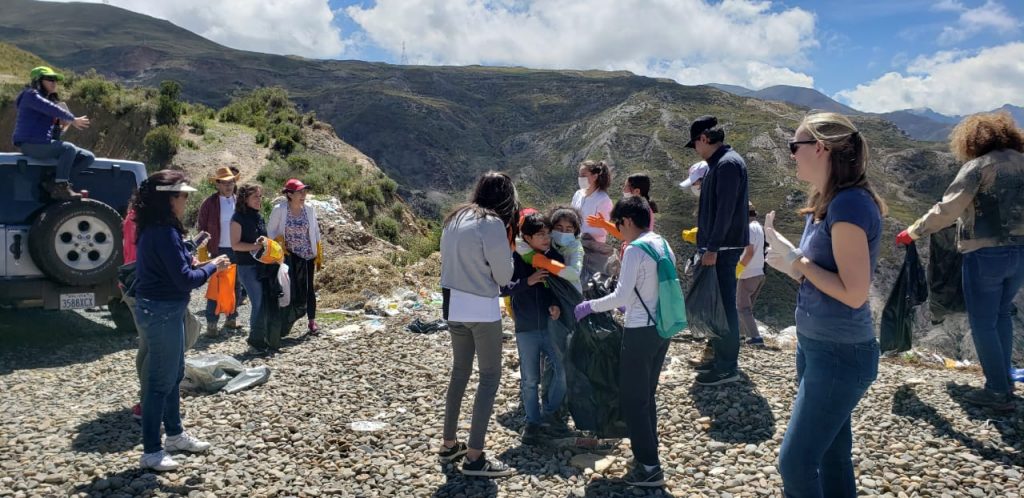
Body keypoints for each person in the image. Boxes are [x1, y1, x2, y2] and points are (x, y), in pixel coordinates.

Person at [768, 112, 885, 498]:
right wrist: (792, 263)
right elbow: (823, 278)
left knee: (795, 463)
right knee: (832, 454)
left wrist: (797, 260)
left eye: (794, 146)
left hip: (839, 353)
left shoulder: (849, 205)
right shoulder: (829, 201)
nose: (792, 155)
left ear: (819, 148)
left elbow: (854, 293)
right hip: (819, 345)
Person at [896, 111, 1024, 410]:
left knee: (982, 322)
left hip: (985, 254)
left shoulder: (979, 166)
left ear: (972, 140)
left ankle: (997, 392)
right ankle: (1004, 380)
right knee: (1002, 314)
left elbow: (948, 210)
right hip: (1021, 252)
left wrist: (913, 232)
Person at [131, 170, 230, 471]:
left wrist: (197, 260)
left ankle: (174, 435)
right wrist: (213, 266)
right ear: (169, 199)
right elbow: (186, 279)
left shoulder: (159, 228)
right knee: (158, 383)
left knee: (173, 375)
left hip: (164, 310)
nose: (187, 200)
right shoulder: (163, 231)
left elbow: (175, 268)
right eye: (183, 195)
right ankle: (151, 452)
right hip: (161, 312)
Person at [573, 195, 674, 488]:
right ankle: (648, 454)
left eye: (618, 224)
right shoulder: (661, 243)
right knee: (646, 395)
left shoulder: (635, 249)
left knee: (632, 400)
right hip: (662, 329)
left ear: (627, 221)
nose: (618, 230)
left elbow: (622, 295)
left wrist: (589, 306)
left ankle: (649, 467)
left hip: (640, 330)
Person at [438, 172, 519, 477]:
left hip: (453, 305)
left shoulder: (455, 217)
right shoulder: (492, 223)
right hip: (482, 309)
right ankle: (475, 457)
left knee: (459, 373)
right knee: (489, 378)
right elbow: (503, 276)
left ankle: (449, 444)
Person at [687, 115, 749, 386]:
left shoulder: (727, 165)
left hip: (722, 248)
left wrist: (712, 247)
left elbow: (725, 210)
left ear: (703, 138)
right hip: (719, 246)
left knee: (723, 307)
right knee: (717, 306)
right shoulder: (721, 163)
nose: (696, 150)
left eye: (695, 144)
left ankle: (726, 367)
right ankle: (719, 359)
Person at [502, 212, 567, 445]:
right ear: (527, 238)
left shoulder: (554, 257)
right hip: (526, 328)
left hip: (551, 326)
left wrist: (556, 306)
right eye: (540, 234)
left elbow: (562, 288)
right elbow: (503, 288)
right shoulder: (517, 258)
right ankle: (532, 422)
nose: (546, 238)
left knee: (562, 371)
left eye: (548, 233)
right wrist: (527, 282)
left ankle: (550, 413)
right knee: (530, 379)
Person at [12, 66, 94, 200]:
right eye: (50, 79)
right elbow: (49, 108)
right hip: (30, 144)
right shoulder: (30, 95)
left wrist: (63, 125)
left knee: (88, 157)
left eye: (55, 80)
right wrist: (72, 119)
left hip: (43, 142)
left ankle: (53, 182)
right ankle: (61, 186)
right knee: (68, 148)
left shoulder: (45, 101)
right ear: (38, 81)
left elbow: (54, 132)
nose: (54, 82)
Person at [268, 178, 323, 335]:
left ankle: (312, 321)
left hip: (307, 255)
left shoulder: (309, 209)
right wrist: (276, 249)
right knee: (289, 289)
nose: (303, 194)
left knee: (309, 288)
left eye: (304, 191)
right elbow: (271, 231)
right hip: (289, 256)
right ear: (290, 194)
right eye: (300, 192)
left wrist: (318, 250)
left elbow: (315, 230)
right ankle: (285, 321)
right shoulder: (279, 210)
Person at [196, 167, 242, 336]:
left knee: (235, 285)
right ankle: (212, 322)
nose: (228, 186)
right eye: (224, 183)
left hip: (238, 248)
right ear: (218, 184)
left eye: (231, 182)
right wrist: (203, 248)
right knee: (216, 285)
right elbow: (201, 226)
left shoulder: (239, 202)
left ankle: (231, 317)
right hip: (219, 249)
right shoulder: (209, 203)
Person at [231, 184, 270, 353]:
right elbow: (235, 245)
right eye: (255, 197)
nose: (259, 200)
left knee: (264, 301)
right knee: (258, 302)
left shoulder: (258, 216)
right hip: (247, 267)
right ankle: (255, 341)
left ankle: (262, 337)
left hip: (262, 265)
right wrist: (256, 246)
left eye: (260, 196)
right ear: (244, 199)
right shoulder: (237, 218)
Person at [571, 160, 614, 282]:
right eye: (579, 175)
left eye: (584, 175)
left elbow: (603, 230)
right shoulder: (578, 194)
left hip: (592, 251)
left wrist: (584, 233)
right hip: (574, 246)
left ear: (595, 176)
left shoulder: (603, 200)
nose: (580, 178)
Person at [587, 172, 659, 241]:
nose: (623, 189)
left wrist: (604, 224)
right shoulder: (645, 208)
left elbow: (623, 234)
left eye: (626, 186)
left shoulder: (638, 211)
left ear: (637, 191)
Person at [737, 202, 766, 346]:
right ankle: (740, 334)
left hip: (748, 273)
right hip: (759, 272)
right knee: (745, 307)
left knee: (742, 307)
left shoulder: (748, 229)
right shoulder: (758, 227)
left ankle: (755, 337)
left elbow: (749, 253)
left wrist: (738, 269)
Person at [549, 206, 584, 293]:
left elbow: (575, 273)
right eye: (559, 228)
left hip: (569, 293)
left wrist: (547, 264)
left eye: (568, 229)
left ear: (575, 230)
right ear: (552, 228)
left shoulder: (576, 247)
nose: (563, 232)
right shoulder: (548, 241)